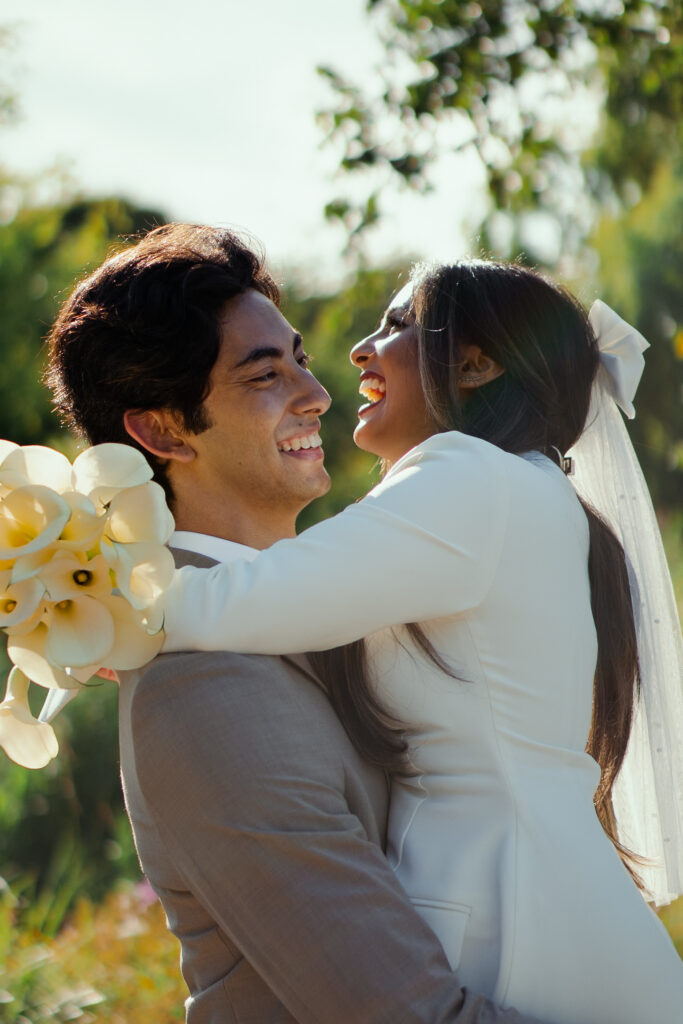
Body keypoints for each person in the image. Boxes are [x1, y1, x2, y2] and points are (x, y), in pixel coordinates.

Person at [44, 224, 547, 1024]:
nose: (315, 395)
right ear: (163, 430)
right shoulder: (202, 686)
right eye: (263, 375)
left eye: (300, 361)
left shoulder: (331, 606)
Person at [160, 258, 683, 1024]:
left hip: (500, 907)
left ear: (473, 364)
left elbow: (256, 598)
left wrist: (88, 598)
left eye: (398, 325)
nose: (361, 351)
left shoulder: (468, 477)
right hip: (549, 891)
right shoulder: (527, 491)